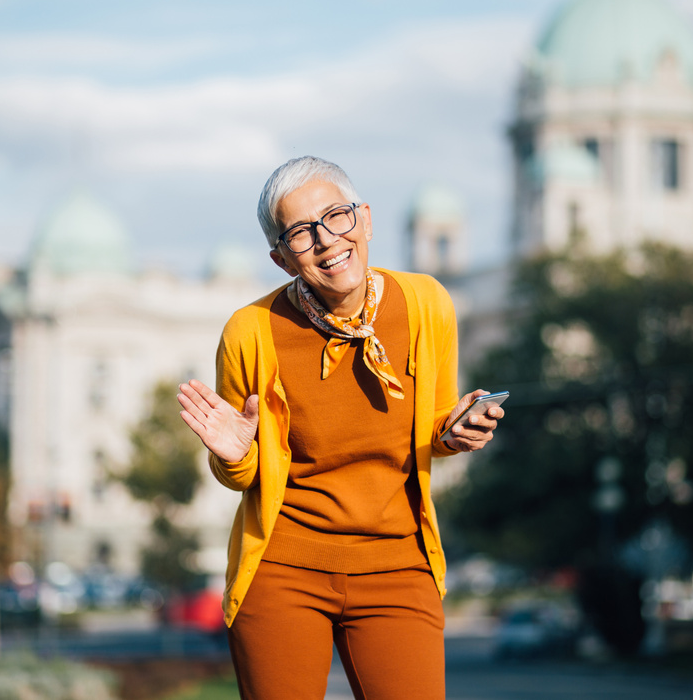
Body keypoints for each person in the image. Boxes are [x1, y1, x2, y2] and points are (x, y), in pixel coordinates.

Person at [178, 156, 503, 700]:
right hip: (283, 568)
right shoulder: (250, 332)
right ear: (282, 259)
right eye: (301, 233)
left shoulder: (427, 305)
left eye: (337, 217)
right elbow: (244, 474)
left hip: (398, 566)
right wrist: (235, 455)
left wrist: (454, 433)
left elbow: (429, 432)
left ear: (366, 220)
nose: (327, 240)